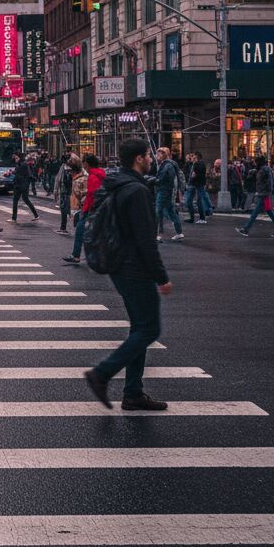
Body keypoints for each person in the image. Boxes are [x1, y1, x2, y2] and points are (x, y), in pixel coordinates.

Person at [85, 138, 173, 411]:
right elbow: (146, 239)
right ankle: (102, 373)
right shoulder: (136, 190)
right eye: (148, 155)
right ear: (138, 159)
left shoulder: (117, 184)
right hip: (135, 268)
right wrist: (161, 276)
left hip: (119, 265)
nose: (151, 159)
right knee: (150, 329)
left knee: (140, 328)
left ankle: (133, 392)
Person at [237, 154, 274, 238]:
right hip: (263, 194)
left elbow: (270, 182)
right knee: (269, 212)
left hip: (264, 194)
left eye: (256, 162)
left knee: (256, 213)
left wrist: (267, 192)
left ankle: (246, 229)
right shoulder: (262, 169)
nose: (255, 164)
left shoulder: (265, 170)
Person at [62, 156, 90, 265]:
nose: (69, 173)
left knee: (81, 231)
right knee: (83, 231)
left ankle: (76, 255)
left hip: (85, 208)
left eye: (70, 171)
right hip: (80, 208)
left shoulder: (83, 178)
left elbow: (85, 194)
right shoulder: (77, 177)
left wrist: (82, 207)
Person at [154, 147, 184, 242]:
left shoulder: (167, 165)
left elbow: (166, 179)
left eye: (159, 154)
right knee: (171, 212)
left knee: (158, 211)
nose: (156, 156)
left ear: (164, 155)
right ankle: (179, 233)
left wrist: (156, 181)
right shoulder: (168, 164)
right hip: (167, 191)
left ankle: (156, 234)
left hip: (164, 191)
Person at [11, 153, 39, 222]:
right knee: (25, 200)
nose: (15, 159)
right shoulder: (21, 164)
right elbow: (19, 172)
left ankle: (14, 219)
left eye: (17, 158)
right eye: (15, 158)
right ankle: (36, 215)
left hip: (20, 186)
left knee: (15, 201)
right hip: (23, 186)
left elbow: (27, 175)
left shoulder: (23, 165)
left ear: (20, 158)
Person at [55, 154, 78, 233]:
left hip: (66, 192)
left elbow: (58, 179)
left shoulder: (65, 168)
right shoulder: (74, 168)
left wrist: (56, 191)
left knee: (66, 209)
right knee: (67, 209)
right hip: (69, 192)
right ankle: (65, 227)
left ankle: (64, 227)